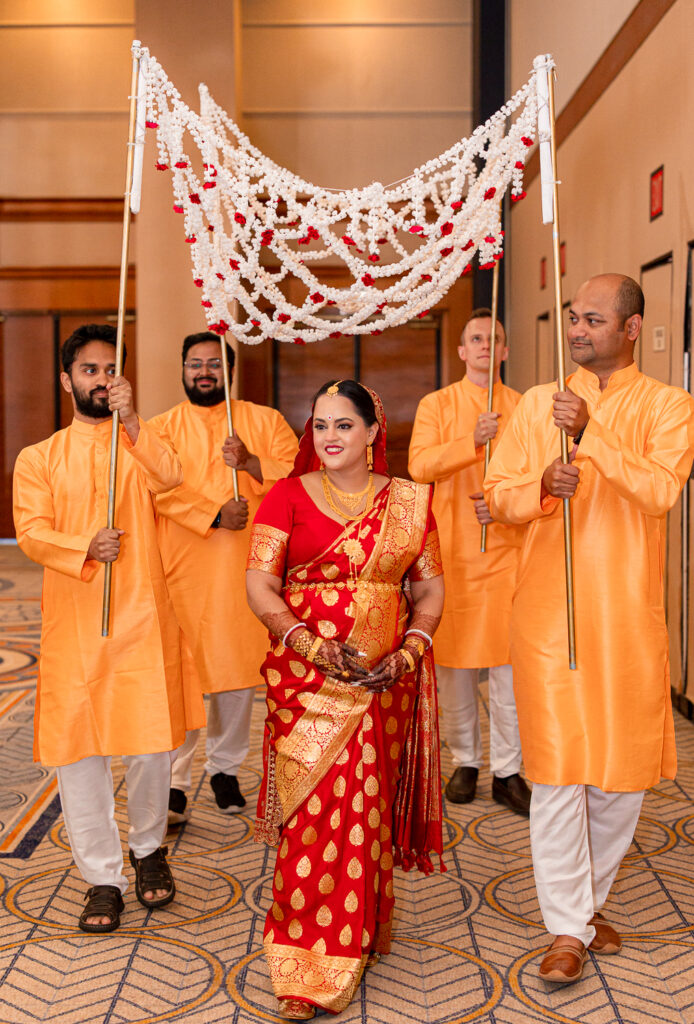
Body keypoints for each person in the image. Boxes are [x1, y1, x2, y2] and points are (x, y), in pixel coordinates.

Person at [485, 274, 694, 983]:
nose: (577, 330)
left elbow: (662, 489)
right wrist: (543, 483)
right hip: (548, 616)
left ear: (632, 329)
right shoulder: (537, 404)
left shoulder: (670, 405)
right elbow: (499, 497)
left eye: (593, 319)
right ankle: (567, 929)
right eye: (574, 318)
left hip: (628, 620)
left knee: (620, 780)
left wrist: (593, 437)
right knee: (556, 774)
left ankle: (588, 902)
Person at [246, 379, 445, 1019]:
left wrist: (409, 651)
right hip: (307, 682)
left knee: (369, 807)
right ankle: (304, 963)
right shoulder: (284, 496)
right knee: (314, 816)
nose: (328, 437)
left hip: (384, 680)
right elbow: (259, 585)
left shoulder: (410, 503)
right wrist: (309, 644)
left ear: (371, 433)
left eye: (343, 426)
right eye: (320, 425)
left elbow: (431, 589)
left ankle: (361, 927)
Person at [13, 323, 204, 934]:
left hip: (143, 618)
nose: (99, 379)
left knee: (151, 745)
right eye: (88, 370)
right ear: (66, 379)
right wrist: (84, 545)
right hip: (74, 627)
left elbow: (172, 477)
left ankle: (149, 851)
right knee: (81, 755)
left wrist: (134, 425)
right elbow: (32, 532)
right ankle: (101, 878)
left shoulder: (140, 442)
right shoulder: (39, 457)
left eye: (109, 369)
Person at [150, 331, 298, 822]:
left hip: (245, 572)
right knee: (184, 675)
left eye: (214, 363)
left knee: (236, 675)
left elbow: (300, 477)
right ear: (183, 369)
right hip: (182, 569)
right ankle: (175, 779)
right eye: (195, 364)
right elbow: (154, 490)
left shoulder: (262, 420)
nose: (204, 372)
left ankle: (225, 769)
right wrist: (213, 514)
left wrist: (252, 463)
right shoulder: (163, 429)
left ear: (228, 370)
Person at [409, 309, 530, 815]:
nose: (484, 345)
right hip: (450, 553)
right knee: (454, 669)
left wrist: (505, 502)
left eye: (493, 339)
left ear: (504, 350)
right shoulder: (437, 404)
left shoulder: (524, 406)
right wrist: (470, 443)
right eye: (475, 338)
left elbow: (539, 471)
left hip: (507, 550)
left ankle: (508, 770)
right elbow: (419, 465)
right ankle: (465, 761)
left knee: (507, 670)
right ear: (461, 351)